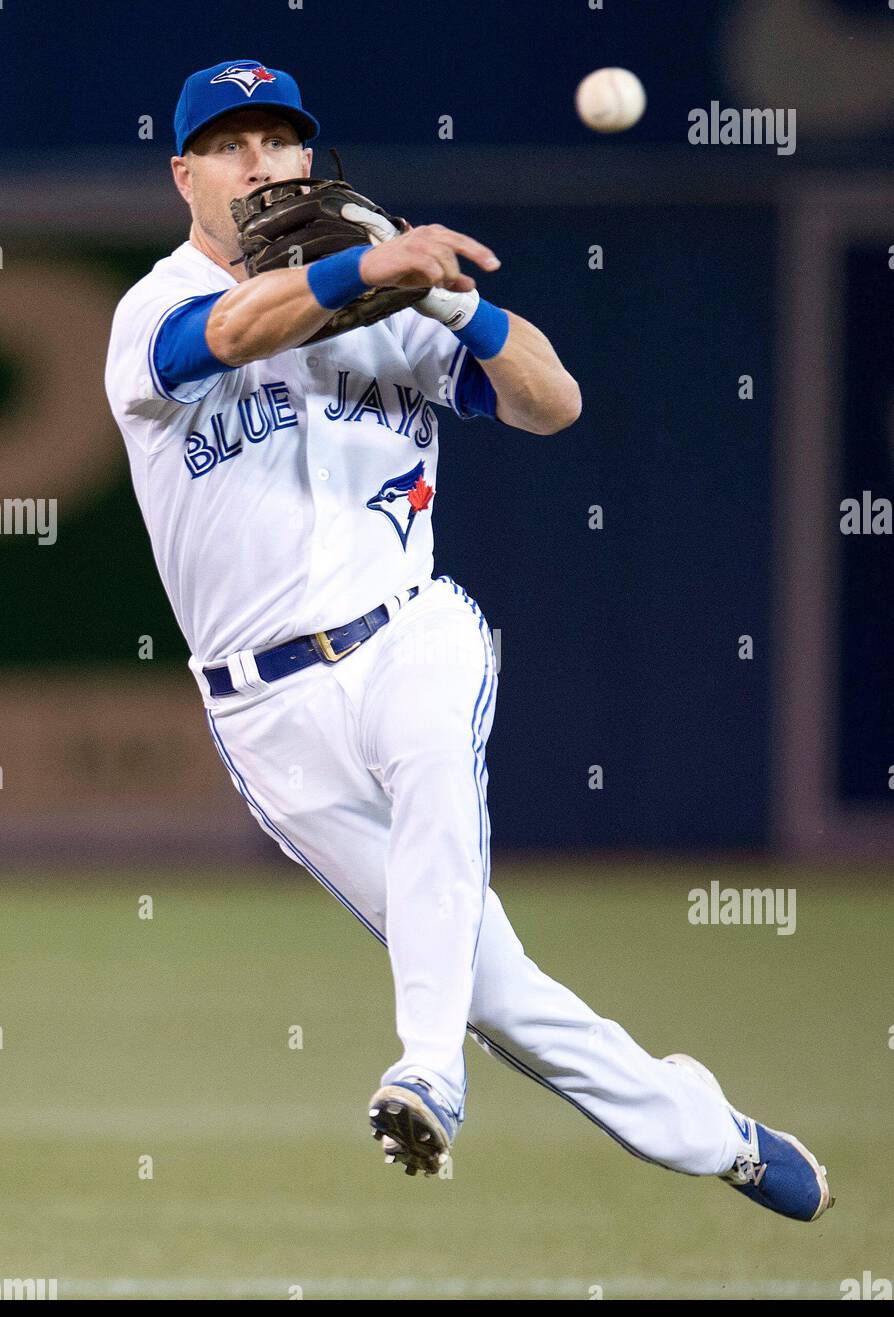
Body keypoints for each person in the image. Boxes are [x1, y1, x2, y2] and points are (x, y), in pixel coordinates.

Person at [104, 58, 832, 1218]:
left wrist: (458, 306)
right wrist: (367, 266)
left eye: (278, 142)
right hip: (267, 714)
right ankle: (712, 1133)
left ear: (308, 159)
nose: (259, 164)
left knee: (435, 754)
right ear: (184, 173)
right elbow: (231, 331)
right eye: (231, 146)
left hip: (409, 630)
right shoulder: (152, 307)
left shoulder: (392, 311)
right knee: (495, 985)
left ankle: (426, 1076)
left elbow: (555, 400)